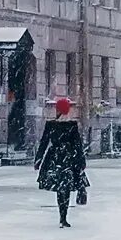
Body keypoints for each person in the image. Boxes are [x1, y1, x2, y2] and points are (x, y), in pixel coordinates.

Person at [34, 97, 89, 228]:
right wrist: (81, 161)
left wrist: (39, 158)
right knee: (66, 188)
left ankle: (62, 216)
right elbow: (77, 145)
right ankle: (63, 217)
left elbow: (44, 142)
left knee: (61, 188)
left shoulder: (51, 124)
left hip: (55, 158)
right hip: (69, 158)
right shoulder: (72, 125)